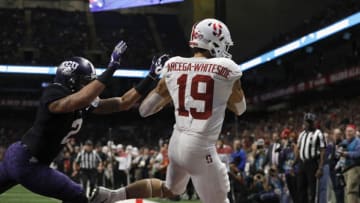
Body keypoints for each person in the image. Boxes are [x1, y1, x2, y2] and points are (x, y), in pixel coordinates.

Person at [91, 18, 246, 203]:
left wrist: (173, 92)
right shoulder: (226, 69)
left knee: (170, 189)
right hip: (200, 146)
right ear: (213, 42)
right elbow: (240, 108)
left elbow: (145, 110)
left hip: (176, 142)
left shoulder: (173, 65)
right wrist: (222, 93)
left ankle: (112, 196)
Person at [0, 40, 165, 203]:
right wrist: (111, 68)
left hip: (26, 159)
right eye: (86, 81)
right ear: (71, 80)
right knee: (77, 195)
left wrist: (150, 76)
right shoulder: (54, 93)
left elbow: (123, 103)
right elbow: (77, 100)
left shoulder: (84, 101)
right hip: (27, 161)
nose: (90, 85)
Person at [295, 112, 326, 203]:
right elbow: (298, 149)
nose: (307, 123)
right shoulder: (302, 134)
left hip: (312, 163)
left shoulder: (318, 133)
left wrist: (320, 168)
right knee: (300, 188)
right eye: (306, 121)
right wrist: (294, 163)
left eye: (309, 122)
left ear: (313, 122)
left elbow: (322, 151)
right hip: (302, 163)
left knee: (313, 189)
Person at [338, 124, 360, 203]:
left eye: (350, 131)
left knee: (351, 191)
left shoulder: (358, 141)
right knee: (350, 191)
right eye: (347, 131)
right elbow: (338, 153)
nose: (348, 133)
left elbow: (358, 154)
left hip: (354, 168)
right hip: (346, 169)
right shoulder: (344, 142)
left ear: (355, 132)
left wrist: (347, 154)